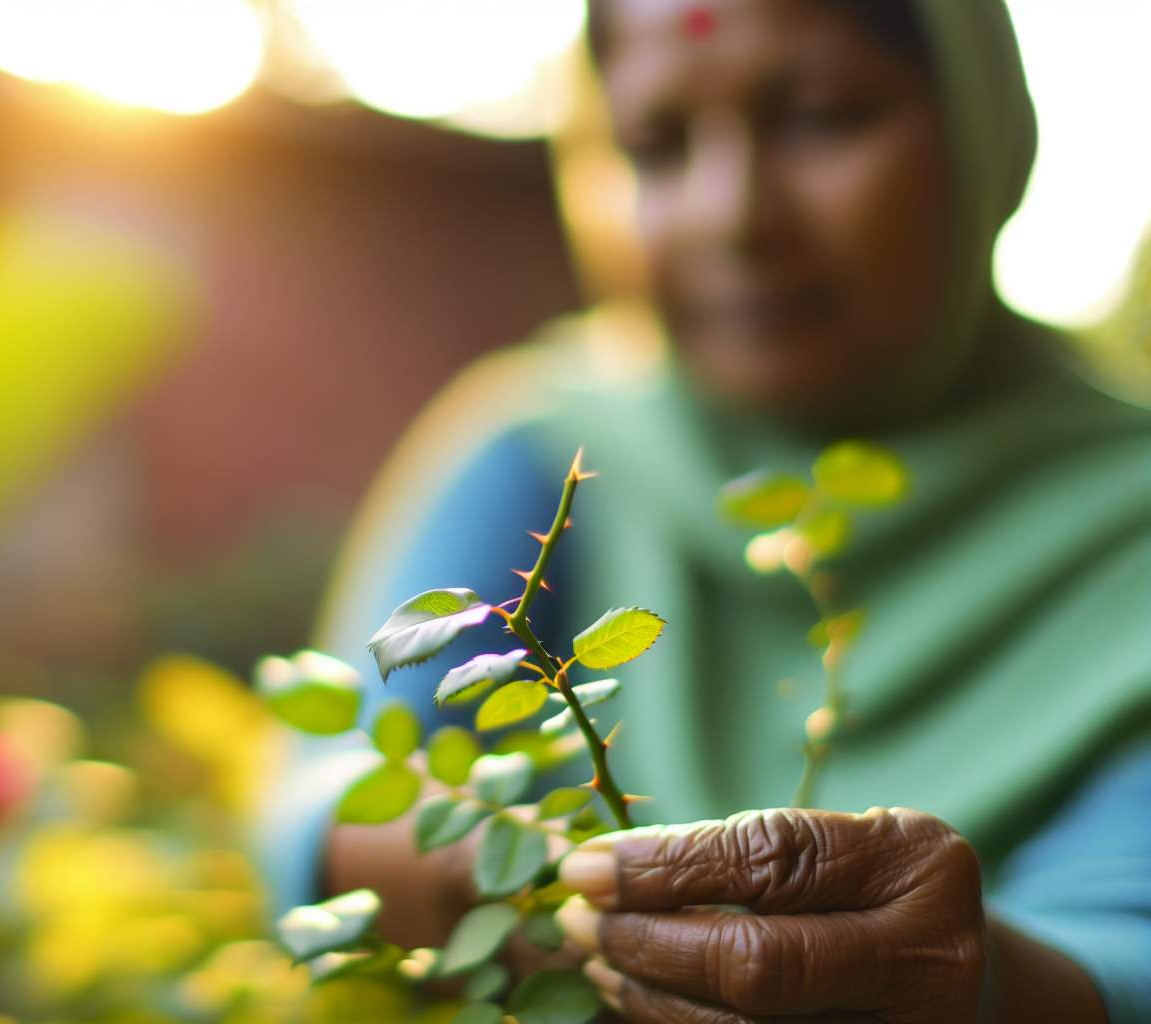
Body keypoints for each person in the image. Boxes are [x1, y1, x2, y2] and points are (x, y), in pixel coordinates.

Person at [259, 1, 1151, 1020]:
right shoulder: (543, 455)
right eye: (654, 143)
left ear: (985, 128)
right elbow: (327, 790)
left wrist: (975, 979)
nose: (733, 215)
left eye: (819, 117)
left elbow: (1130, 946)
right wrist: (490, 870)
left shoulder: (1135, 527)